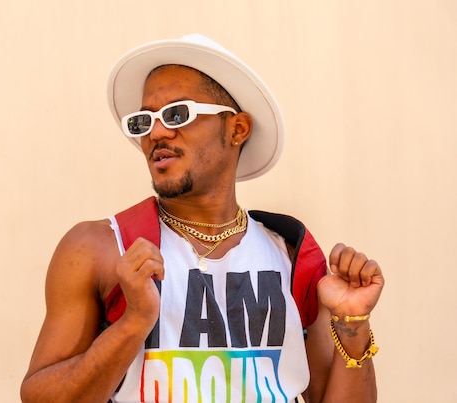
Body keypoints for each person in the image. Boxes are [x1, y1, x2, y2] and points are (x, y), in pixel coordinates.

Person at [20, 34, 384, 403]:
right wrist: (132, 324)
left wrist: (353, 324)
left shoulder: (291, 254)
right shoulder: (100, 247)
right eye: (144, 122)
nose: (156, 132)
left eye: (178, 114)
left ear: (237, 129)